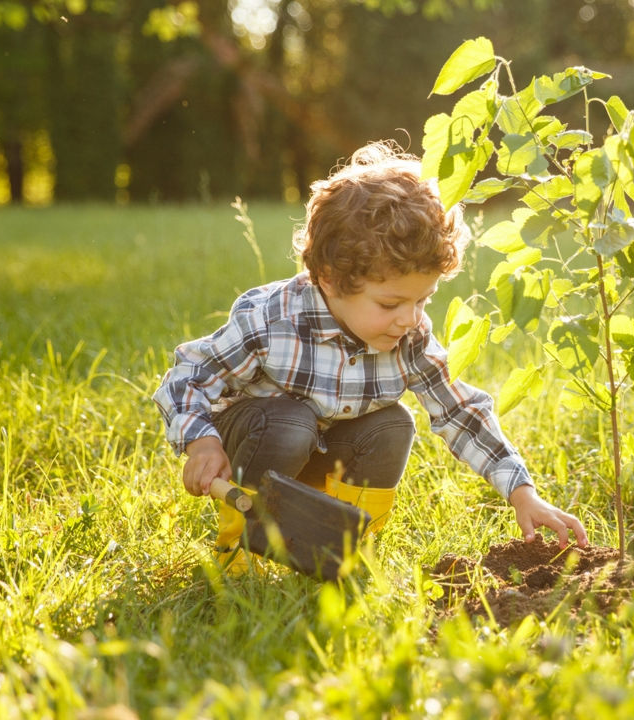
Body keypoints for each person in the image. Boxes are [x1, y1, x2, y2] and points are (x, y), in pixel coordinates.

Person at [153, 141, 587, 574]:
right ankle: (243, 551)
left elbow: (460, 411)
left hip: (324, 455)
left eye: (423, 300)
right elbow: (188, 375)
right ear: (330, 278)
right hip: (259, 444)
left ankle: (339, 549)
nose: (409, 319)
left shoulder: (410, 337)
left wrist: (522, 492)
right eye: (390, 304)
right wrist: (202, 442)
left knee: (393, 424)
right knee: (290, 423)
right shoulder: (272, 321)